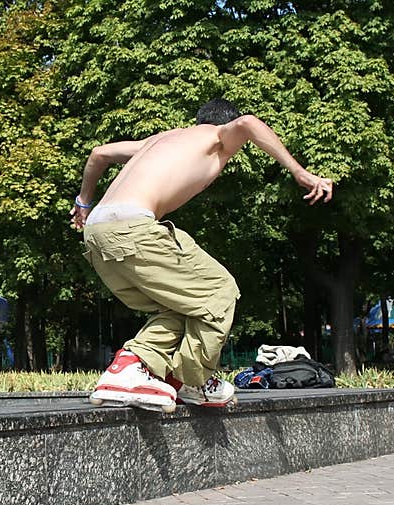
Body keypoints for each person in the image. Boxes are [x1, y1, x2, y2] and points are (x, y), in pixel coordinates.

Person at [70, 98, 333, 412]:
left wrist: (84, 203)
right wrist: (300, 173)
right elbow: (248, 122)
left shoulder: (157, 141)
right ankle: (193, 382)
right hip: (134, 228)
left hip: (98, 233)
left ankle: (130, 366)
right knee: (219, 291)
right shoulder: (218, 137)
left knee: (182, 304)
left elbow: (99, 154)